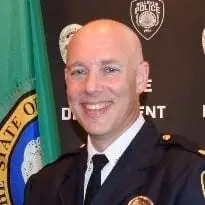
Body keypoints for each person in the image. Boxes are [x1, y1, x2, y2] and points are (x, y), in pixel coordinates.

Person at [24, 19, 205, 205]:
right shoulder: (44, 186)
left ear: (141, 78)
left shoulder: (188, 175)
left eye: (109, 69)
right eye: (79, 71)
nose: (91, 87)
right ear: (66, 80)